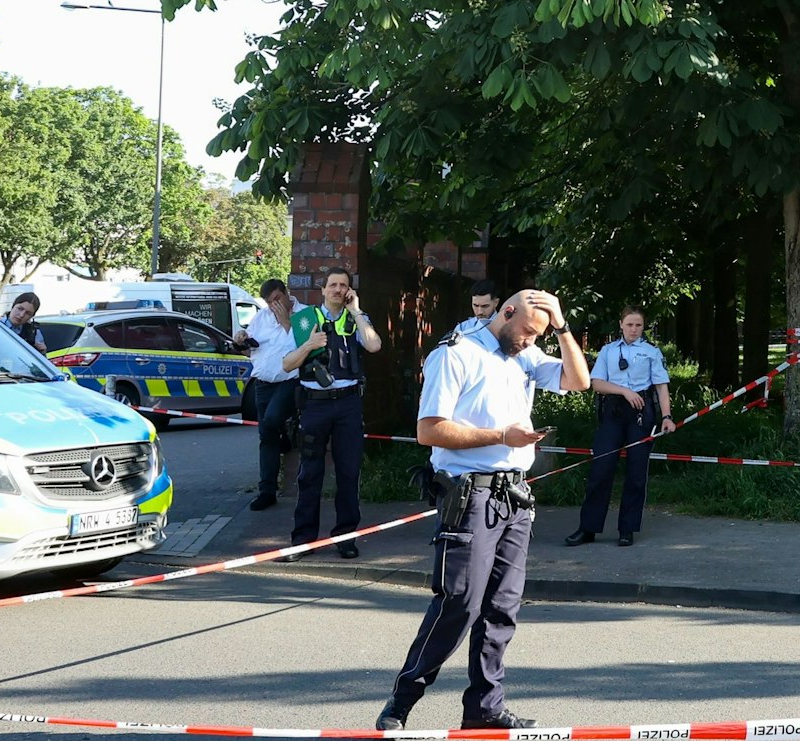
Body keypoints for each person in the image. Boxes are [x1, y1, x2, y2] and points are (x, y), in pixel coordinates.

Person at [377, 289, 589, 732]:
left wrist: (563, 326)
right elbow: (428, 430)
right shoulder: (456, 354)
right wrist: (500, 436)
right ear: (506, 313)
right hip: (469, 495)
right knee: (460, 604)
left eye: (538, 336)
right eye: (527, 332)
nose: (530, 342)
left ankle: (485, 710)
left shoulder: (525, 355)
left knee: (502, 609)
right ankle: (401, 700)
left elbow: (578, 381)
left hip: (514, 495)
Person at [280, 268, 380, 560]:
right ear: (322, 290)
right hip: (315, 404)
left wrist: (357, 311)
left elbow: (374, 345)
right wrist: (310, 345)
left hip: (348, 404)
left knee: (349, 473)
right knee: (309, 473)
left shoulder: (356, 319)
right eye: (333, 285)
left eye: (343, 285)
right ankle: (303, 540)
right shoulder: (305, 321)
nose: (338, 289)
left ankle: (346, 537)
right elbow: (287, 365)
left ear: (349, 291)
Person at [566, 307, 674, 548]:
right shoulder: (608, 351)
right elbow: (597, 384)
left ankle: (627, 529)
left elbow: (661, 386)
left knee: (636, 472)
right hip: (614, 410)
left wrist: (666, 416)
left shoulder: (651, 352)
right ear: (620, 324)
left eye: (638, 325)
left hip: (640, 414)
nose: (634, 330)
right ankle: (588, 528)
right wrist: (625, 391)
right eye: (629, 325)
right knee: (601, 468)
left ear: (644, 327)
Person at [233, 278, 300, 511]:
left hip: (289, 381)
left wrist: (286, 323)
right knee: (266, 436)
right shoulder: (261, 317)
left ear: (286, 293)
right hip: (263, 382)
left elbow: (306, 345)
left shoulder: (302, 314)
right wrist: (241, 340)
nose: (274, 306)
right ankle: (267, 491)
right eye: (269, 302)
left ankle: (284, 435)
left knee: (271, 420)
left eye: (277, 300)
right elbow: (252, 347)